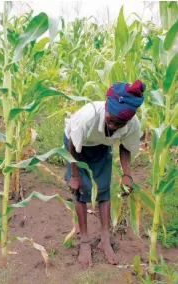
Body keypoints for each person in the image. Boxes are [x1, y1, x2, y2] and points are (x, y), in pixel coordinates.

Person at [64, 80, 145, 267]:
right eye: (111, 119)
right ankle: (84, 241)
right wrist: (75, 176)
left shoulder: (132, 124)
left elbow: (125, 147)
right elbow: (72, 146)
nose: (115, 125)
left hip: (101, 146)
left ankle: (104, 240)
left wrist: (127, 174)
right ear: (106, 107)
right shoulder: (88, 117)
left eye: (120, 123)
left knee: (104, 190)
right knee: (81, 190)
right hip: (76, 146)